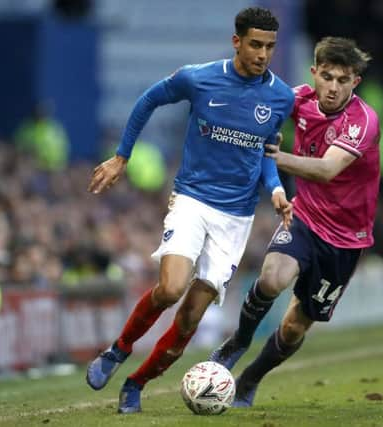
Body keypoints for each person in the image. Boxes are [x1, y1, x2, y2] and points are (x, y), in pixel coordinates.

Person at [85, 7, 294, 414]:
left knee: (190, 316)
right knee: (170, 288)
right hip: (194, 199)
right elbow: (149, 100)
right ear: (237, 42)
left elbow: (266, 151)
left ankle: (135, 383)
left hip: (236, 218)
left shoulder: (280, 96)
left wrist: (275, 189)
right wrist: (121, 157)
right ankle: (117, 350)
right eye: (255, 44)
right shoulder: (198, 78)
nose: (263, 54)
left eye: (270, 46)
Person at [209, 36, 380, 407]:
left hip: (345, 239)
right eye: (328, 77)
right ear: (314, 73)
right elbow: (256, 109)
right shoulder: (297, 98)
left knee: (294, 327)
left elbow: (327, 169)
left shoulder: (363, 121)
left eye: (343, 80)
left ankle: (251, 379)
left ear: (355, 83)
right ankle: (239, 340)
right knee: (271, 278)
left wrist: (274, 154)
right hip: (305, 216)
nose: (333, 88)